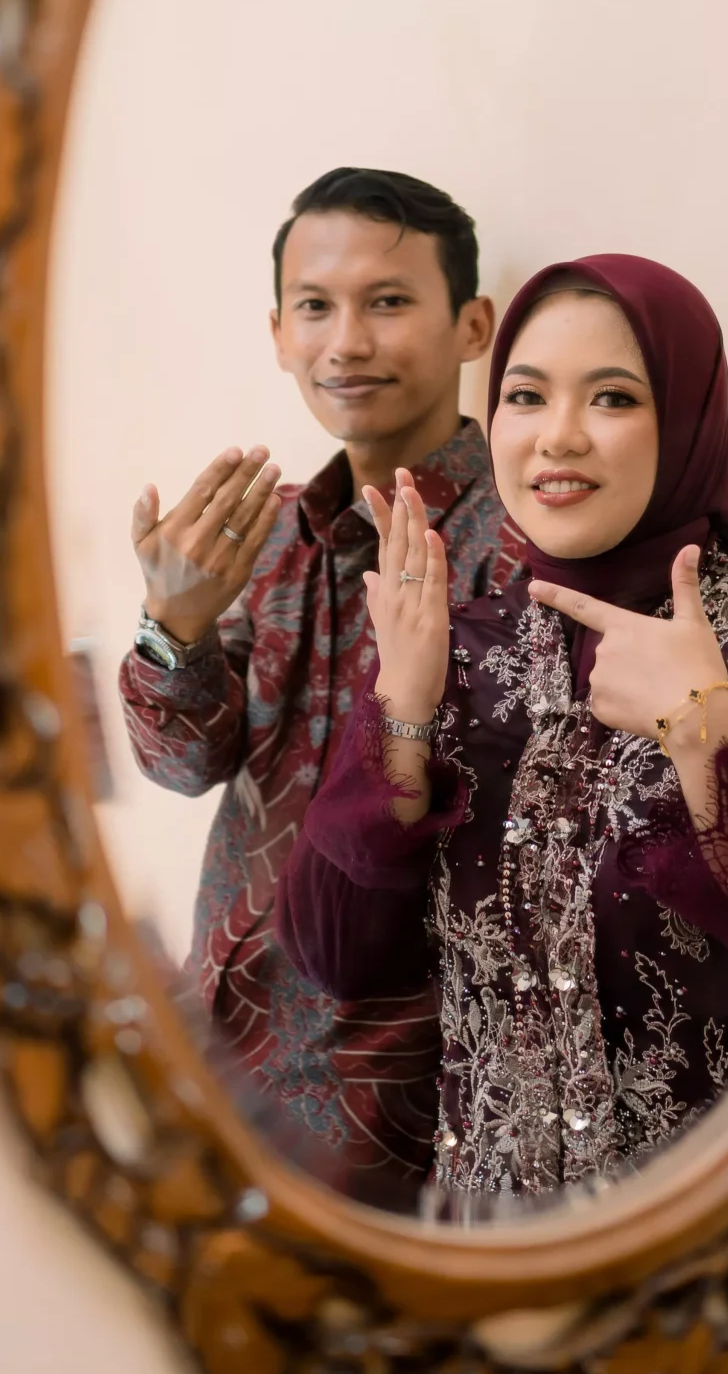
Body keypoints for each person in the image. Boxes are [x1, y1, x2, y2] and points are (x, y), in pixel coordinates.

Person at [274, 253, 728, 1209]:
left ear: (685, 419)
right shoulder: (453, 649)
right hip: (496, 1242)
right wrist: (401, 703)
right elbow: (334, 959)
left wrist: (705, 731)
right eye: (524, 397)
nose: (557, 438)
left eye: (612, 398)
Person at [117, 167, 524, 1207]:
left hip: (411, 1106)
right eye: (314, 306)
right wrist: (173, 624)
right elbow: (182, 767)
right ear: (277, 332)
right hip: (224, 1057)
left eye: (387, 301)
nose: (346, 342)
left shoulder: (525, 544)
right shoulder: (266, 536)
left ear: (471, 326)